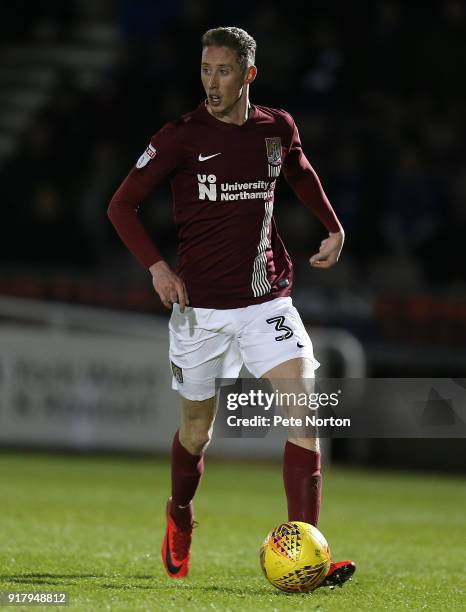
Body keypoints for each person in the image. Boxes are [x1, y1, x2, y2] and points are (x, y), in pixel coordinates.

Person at [108, 26, 355, 589]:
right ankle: (179, 512)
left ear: (248, 75)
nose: (211, 83)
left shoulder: (276, 127)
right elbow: (121, 206)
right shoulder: (180, 136)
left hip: (266, 298)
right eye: (205, 71)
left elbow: (297, 168)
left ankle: (307, 555)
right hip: (202, 309)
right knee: (197, 432)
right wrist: (157, 267)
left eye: (223, 71)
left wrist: (332, 225)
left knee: (304, 415)